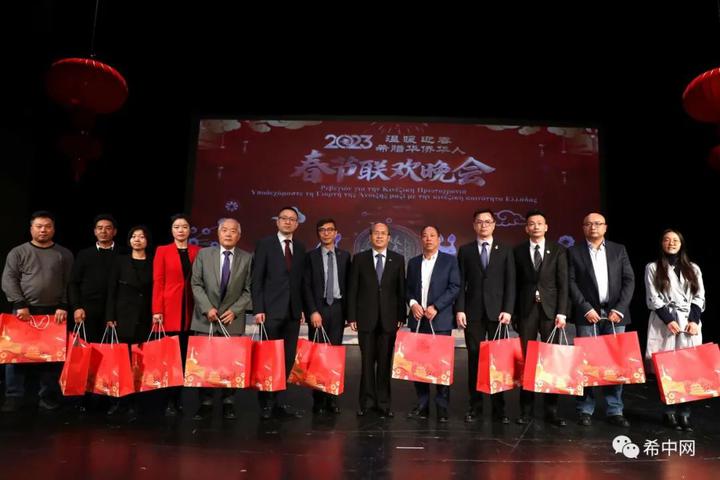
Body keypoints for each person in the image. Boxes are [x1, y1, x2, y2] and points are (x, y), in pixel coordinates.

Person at [1, 210, 74, 412]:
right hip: (23, 311)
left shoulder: (64, 254)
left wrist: (63, 305)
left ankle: (47, 396)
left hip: (54, 312)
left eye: (48, 226)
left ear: (53, 229)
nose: (43, 230)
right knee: (15, 355)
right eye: (39, 226)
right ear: (31, 229)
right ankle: (14, 396)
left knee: (50, 357)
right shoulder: (18, 252)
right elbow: (9, 279)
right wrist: (19, 303)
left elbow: (70, 282)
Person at [568, 212, 634, 428]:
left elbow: (629, 280)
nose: (593, 227)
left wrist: (620, 309)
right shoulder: (574, 251)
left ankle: (615, 409)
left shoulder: (618, 249)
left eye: (597, 223)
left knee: (614, 364)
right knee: (586, 364)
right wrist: (585, 308)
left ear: (605, 227)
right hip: (588, 315)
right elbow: (571, 282)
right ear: (583, 228)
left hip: (615, 315)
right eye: (588, 224)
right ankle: (584, 409)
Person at [455, 209, 516, 424]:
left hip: (498, 314)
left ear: (494, 225)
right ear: (474, 225)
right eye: (479, 222)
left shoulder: (505, 250)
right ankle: (475, 406)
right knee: (475, 359)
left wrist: (508, 309)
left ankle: (500, 408)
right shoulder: (465, 250)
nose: (483, 225)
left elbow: (511, 283)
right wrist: (460, 309)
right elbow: (460, 283)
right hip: (473, 314)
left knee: (499, 361)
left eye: (487, 222)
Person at [190, 218, 253, 420]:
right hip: (205, 318)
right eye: (224, 230)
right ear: (218, 233)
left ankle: (228, 402)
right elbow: (196, 284)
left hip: (231, 320)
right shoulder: (203, 254)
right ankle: (205, 403)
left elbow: (249, 290)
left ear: (239, 235)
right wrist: (207, 308)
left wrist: (235, 310)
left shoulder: (247, 258)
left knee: (230, 363)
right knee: (205, 362)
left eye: (233, 231)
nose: (228, 234)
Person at [644, 229, 705, 432]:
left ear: (681, 244)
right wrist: (668, 320)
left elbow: (699, 296)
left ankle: (685, 414)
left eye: (675, 240)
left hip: (688, 323)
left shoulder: (693, 268)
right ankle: (669, 412)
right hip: (665, 321)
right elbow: (653, 297)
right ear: (661, 243)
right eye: (667, 240)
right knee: (667, 369)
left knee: (688, 369)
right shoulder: (653, 267)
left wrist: (694, 321)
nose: (671, 243)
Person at [513, 209, 569, 427]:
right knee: (527, 360)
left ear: (546, 227)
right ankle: (526, 410)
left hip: (551, 312)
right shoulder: (518, 251)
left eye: (539, 223)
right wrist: (514, 312)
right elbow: (515, 284)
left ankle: (551, 410)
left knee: (551, 359)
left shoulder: (558, 250)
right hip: (526, 310)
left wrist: (562, 312)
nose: (535, 226)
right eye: (531, 223)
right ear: (526, 228)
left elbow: (563, 284)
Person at [252, 206, 306, 420]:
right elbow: (257, 279)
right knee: (269, 358)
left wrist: (301, 308)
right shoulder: (265, 244)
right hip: (270, 311)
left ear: (297, 224)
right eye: (284, 218)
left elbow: (300, 281)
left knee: (287, 359)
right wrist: (258, 309)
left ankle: (279, 403)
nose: (288, 222)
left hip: (292, 312)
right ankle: (266, 403)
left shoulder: (300, 247)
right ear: (277, 221)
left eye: (292, 219)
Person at [347, 222, 406, 418]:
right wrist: (352, 316)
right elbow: (353, 289)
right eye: (376, 233)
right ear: (370, 237)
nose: (379, 236)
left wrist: (401, 315)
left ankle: (383, 404)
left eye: (383, 233)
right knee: (366, 364)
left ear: (389, 238)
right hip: (365, 319)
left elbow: (401, 290)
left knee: (384, 363)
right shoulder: (359, 259)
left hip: (389, 320)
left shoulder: (398, 259)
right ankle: (366, 403)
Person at [405, 225, 460, 422]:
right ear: (421, 239)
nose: (428, 239)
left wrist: (436, 306)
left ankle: (442, 407)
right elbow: (407, 289)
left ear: (438, 239)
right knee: (419, 365)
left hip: (440, 320)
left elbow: (455, 287)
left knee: (441, 365)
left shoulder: (449, 261)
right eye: (425, 236)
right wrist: (413, 304)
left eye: (432, 235)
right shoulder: (413, 262)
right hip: (418, 320)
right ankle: (422, 405)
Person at [152, 213, 201, 416]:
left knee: (184, 357)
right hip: (169, 309)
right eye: (177, 227)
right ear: (172, 230)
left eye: (184, 227)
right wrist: (157, 310)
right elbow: (158, 281)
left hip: (191, 309)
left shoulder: (198, 251)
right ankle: (168, 401)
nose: (181, 230)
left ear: (190, 230)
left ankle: (179, 399)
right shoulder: (162, 251)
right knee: (169, 358)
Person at [302, 218, 351, 415]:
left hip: (338, 308)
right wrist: (312, 311)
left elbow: (349, 286)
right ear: (318, 233)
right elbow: (306, 286)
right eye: (322, 230)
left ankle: (332, 397)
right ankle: (318, 399)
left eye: (330, 230)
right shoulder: (310, 257)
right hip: (318, 308)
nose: (326, 233)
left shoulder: (345, 256)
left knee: (334, 356)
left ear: (336, 233)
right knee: (318, 356)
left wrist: (349, 315)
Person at [105, 225, 154, 418]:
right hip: (122, 317)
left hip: (144, 318)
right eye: (134, 236)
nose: (137, 240)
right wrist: (110, 316)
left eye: (141, 237)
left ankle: (136, 401)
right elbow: (111, 290)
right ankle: (119, 401)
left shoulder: (153, 261)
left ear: (147, 241)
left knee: (139, 362)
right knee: (121, 361)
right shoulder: (120, 261)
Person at [69, 214, 119, 343]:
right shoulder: (84, 254)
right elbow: (73, 283)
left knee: (114, 349)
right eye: (100, 228)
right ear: (95, 231)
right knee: (88, 348)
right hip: (88, 311)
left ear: (114, 232)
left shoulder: (123, 253)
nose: (103, 231)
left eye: (108, 228)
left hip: (116, 311)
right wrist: (77, 307)